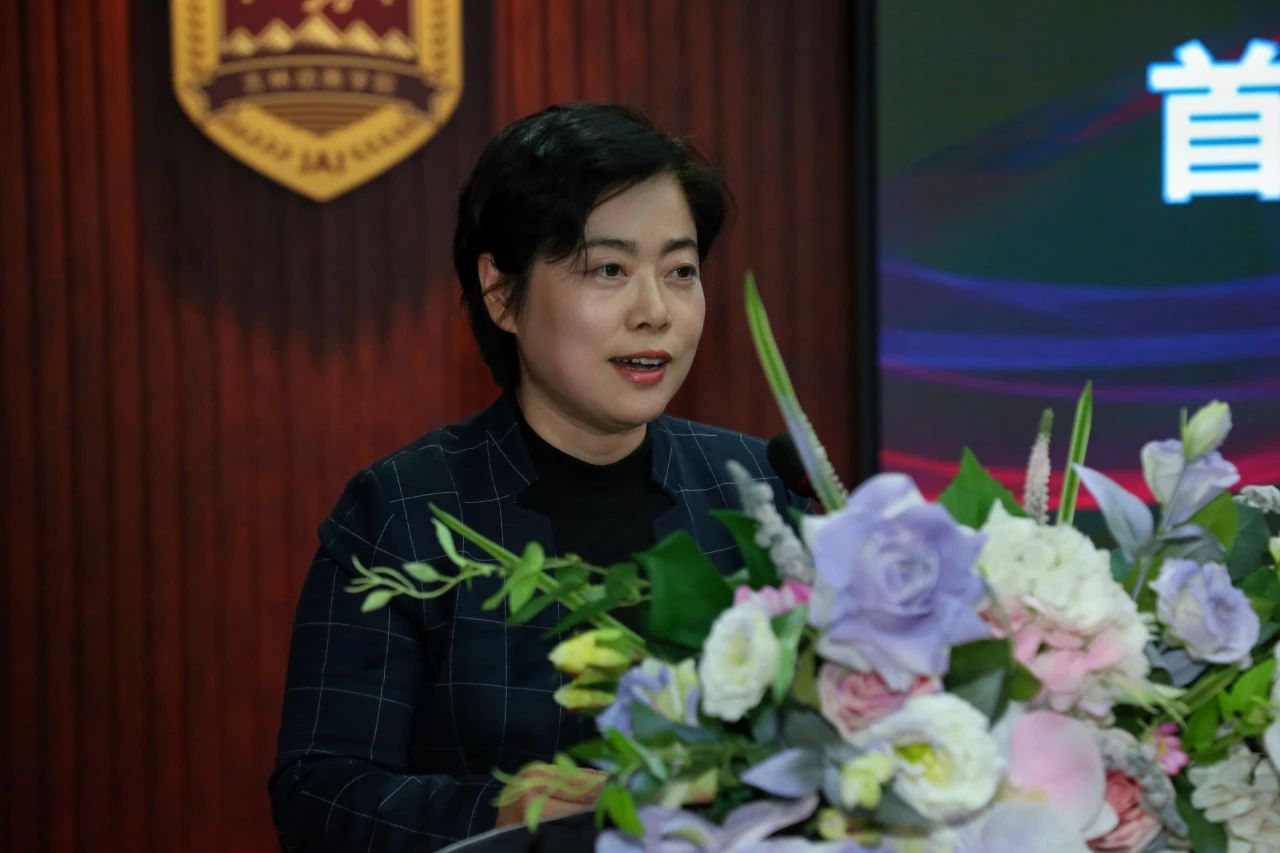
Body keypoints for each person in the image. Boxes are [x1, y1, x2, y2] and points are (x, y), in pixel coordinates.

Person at [269, 102, 803, 851]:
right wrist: (507, 809)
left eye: (680, 272)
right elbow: (320, 791)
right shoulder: (404, 510)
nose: (655, 311)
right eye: (609, 270)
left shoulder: (755, 491)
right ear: (502, 293)